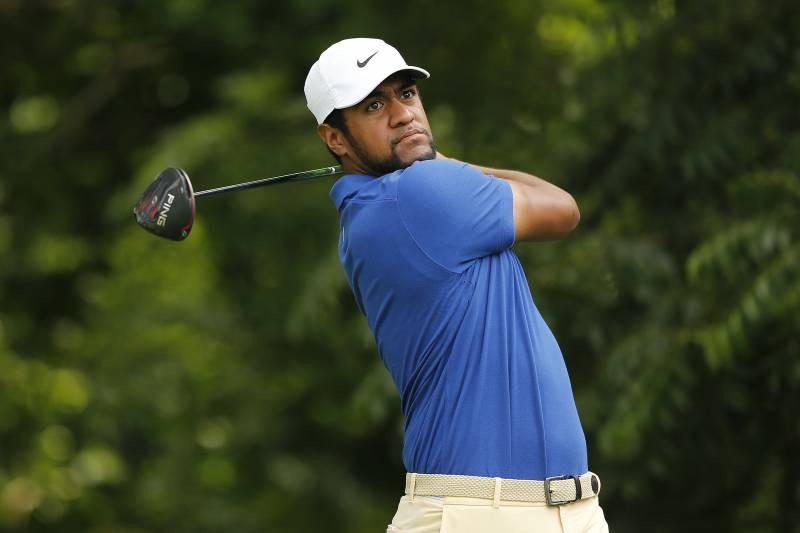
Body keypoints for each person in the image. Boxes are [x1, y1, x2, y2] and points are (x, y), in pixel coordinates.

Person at [305, 38, 609, 533]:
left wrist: (434, 161)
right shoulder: (421, 193)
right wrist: (440, 161)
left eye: (406, 94)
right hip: (482, 512)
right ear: (335, 138)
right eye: (374, 106)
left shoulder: (379, 208)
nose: (403, 114)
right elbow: (563, 209)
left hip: (555, 509)